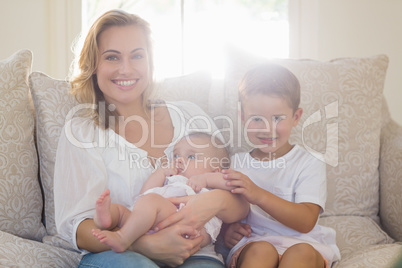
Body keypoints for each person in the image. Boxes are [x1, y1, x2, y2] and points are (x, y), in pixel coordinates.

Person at [53, 9, 249, 268]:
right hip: (119, 256)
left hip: (196, 252)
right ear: (93, 65)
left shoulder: (189, 116)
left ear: (150, 62)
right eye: (112, 57)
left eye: (137, 55)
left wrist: (216, 201)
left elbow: (239, 196)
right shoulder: (82, 132)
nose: (126, 68)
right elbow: (76, 226)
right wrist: (145, 244)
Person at [217, 63, 341, 267]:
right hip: (255, 243)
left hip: (304, 244)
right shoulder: (236, 163)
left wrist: (258, 194)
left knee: (301, 254)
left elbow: (306, 221)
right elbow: (224, 209)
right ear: (242, 117)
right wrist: (227, 231)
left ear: (296, 117)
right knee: (260, 251)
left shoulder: (309, 163)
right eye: (256, 118)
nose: (267, 129)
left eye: (277, 118)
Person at [91, 132, 233, 262]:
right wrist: (160, 173)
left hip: (189, 228)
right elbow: (145, 194)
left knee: (150, 201)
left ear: (215, 170)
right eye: (176, 155)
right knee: (122, 210)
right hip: (154, 225)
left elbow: (231, 185)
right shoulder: (171, 179)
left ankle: (122, 238)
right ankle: (105, 219)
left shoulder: (209, 185)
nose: (179, 160)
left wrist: (207, 179)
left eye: (191, 157)